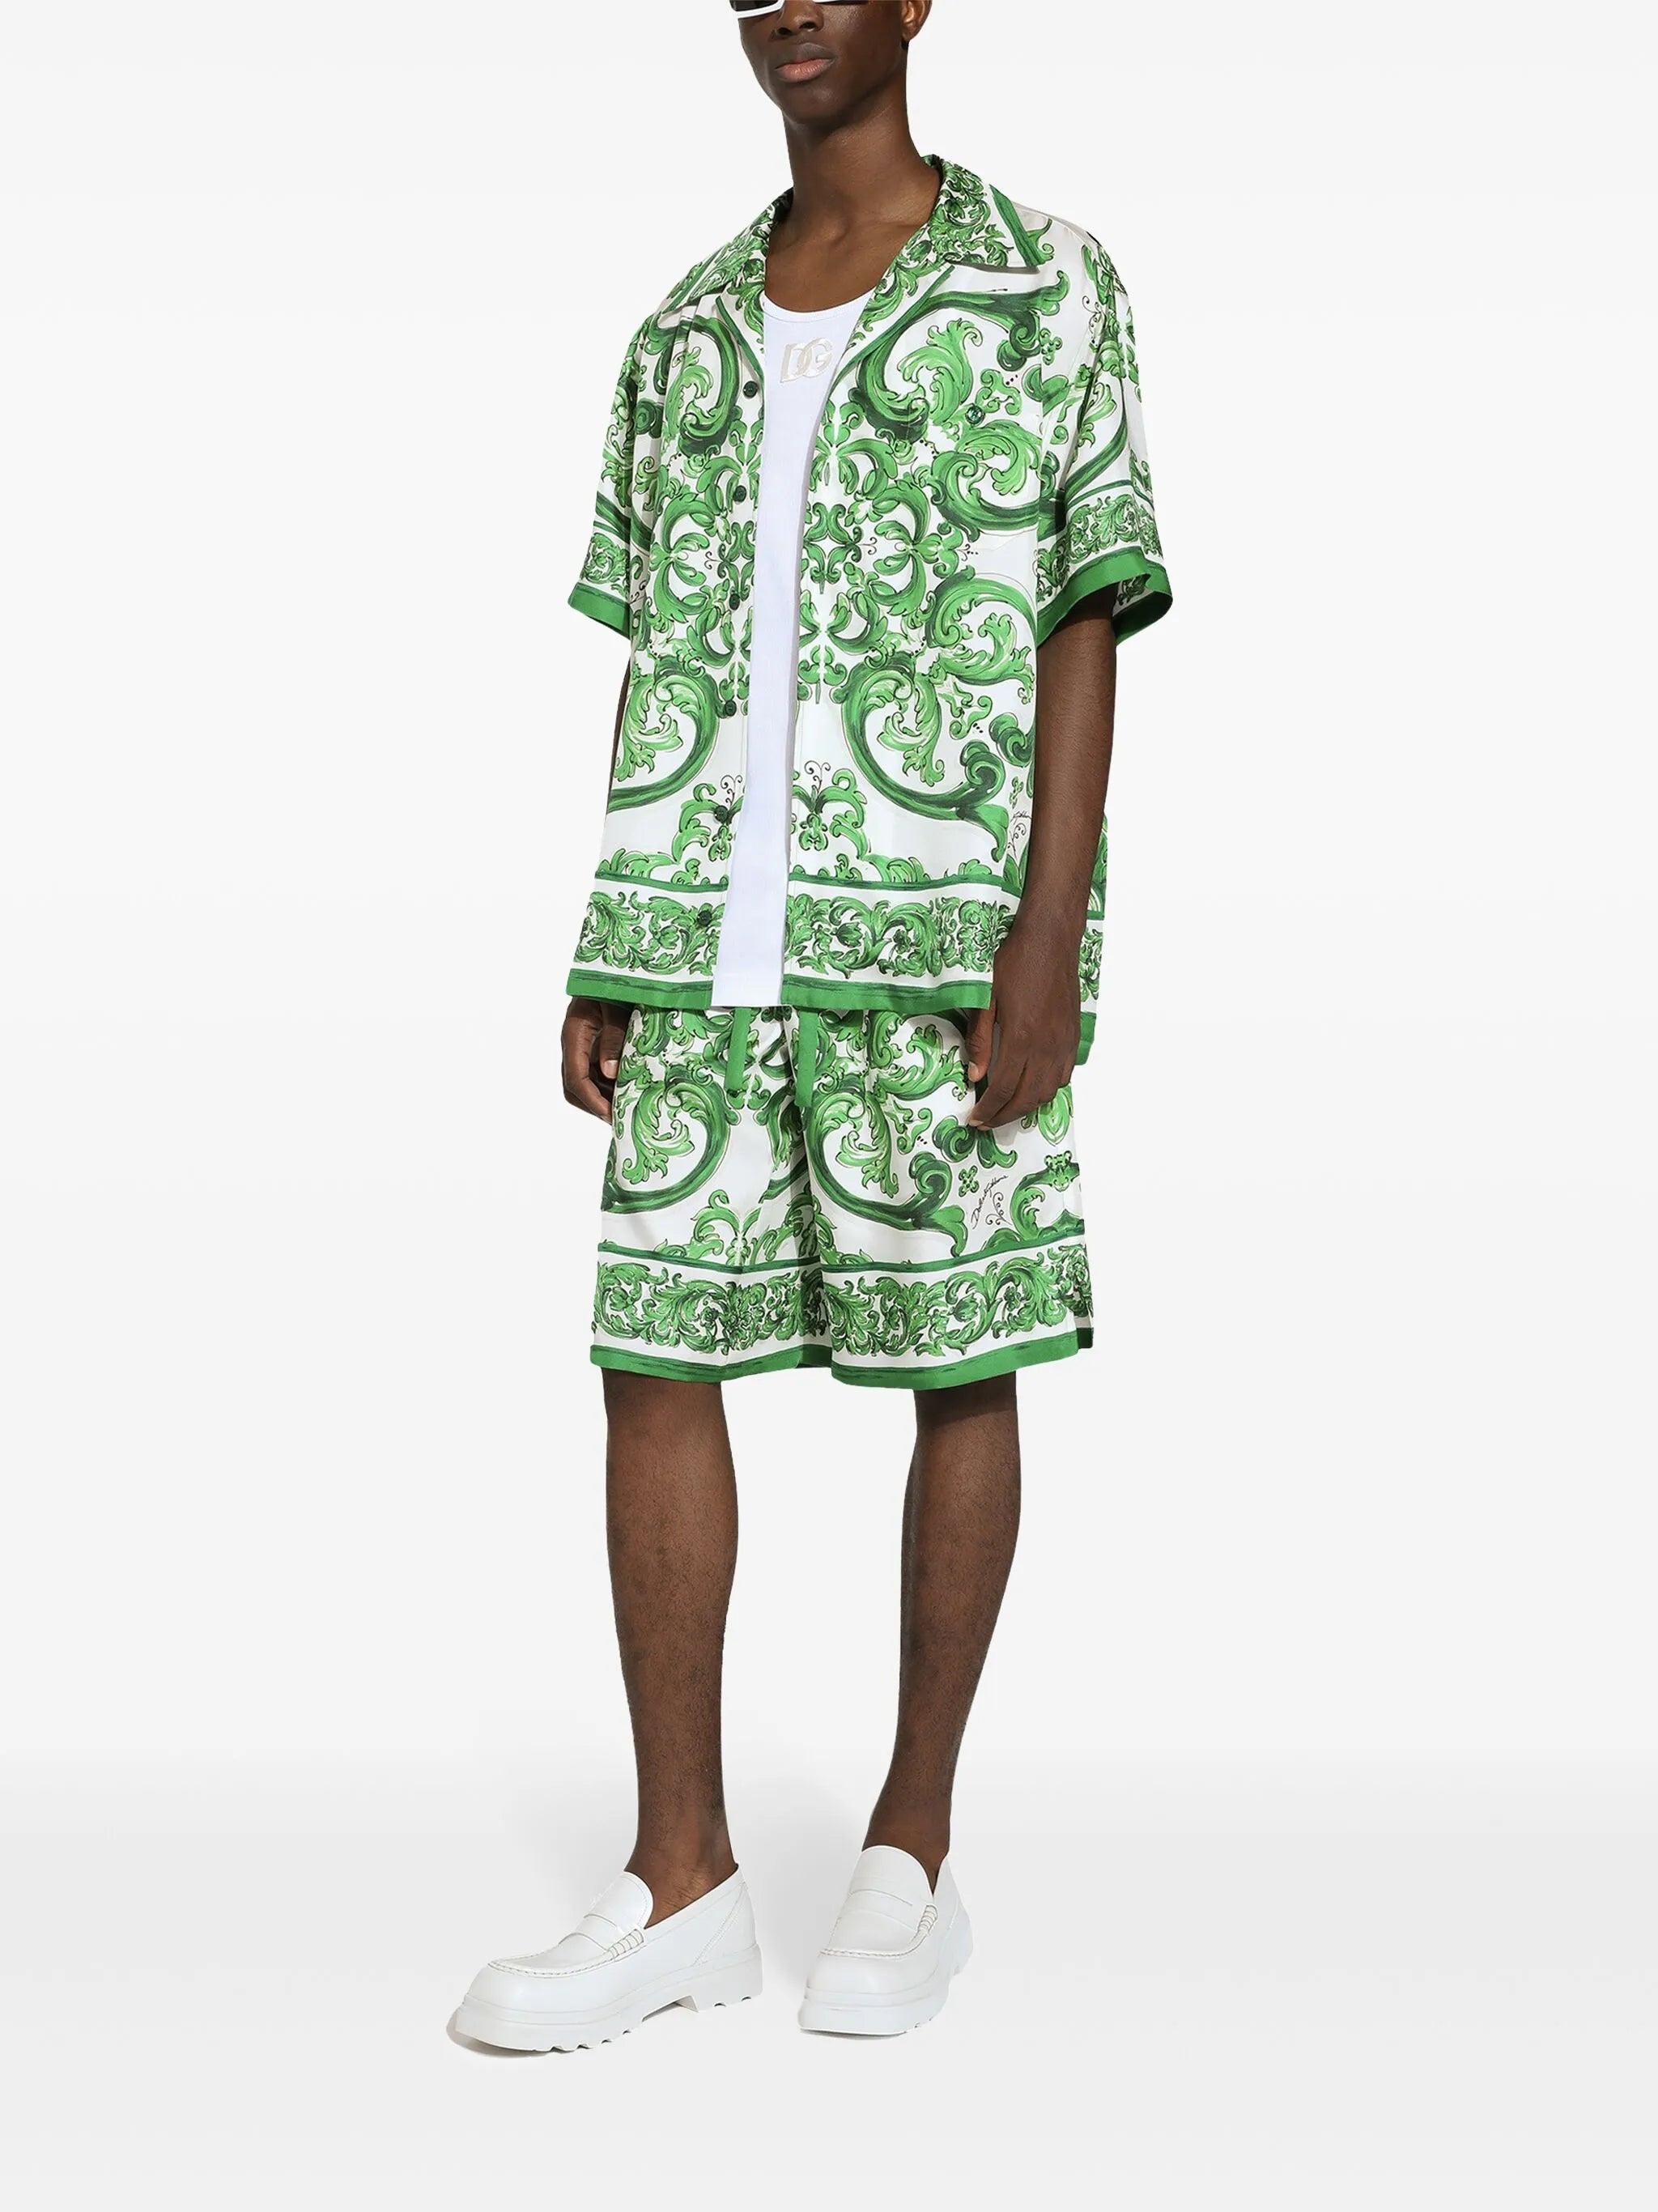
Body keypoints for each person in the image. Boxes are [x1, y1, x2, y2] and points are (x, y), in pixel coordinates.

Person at [455, 0, 1170, 2052]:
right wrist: (612, 926)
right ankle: (680, 1877)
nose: (784, 6)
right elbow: (659, 642)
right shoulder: (683, 326)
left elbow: (1083, 612)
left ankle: (909, 1848)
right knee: (650, 1355)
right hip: (697, 926)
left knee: (961, 1355)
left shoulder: (1045, 280)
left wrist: (1047, 939)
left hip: (938, 929)